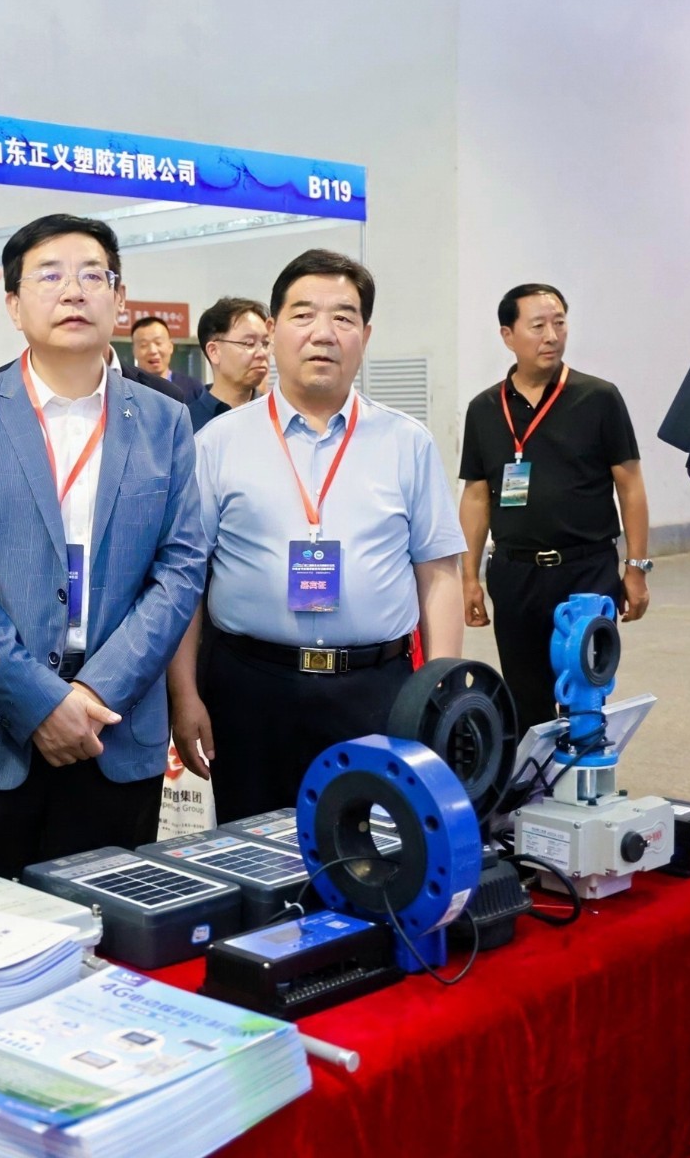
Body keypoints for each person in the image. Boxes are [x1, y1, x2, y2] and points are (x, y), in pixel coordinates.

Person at [0, 213, 207, 886]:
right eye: (49, 276)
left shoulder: (164, 421)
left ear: (119, 299)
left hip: (114, 727)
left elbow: (181, 567)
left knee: (112, 932)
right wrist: (41, 702)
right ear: (13, 306)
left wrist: (97, 691)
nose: (73, 291)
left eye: (92, 276)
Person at [168, 249, 465, 823]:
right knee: (253, 853)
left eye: (343, 317)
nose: (323, 333)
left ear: (365, 335)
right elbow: (186, 581)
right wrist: (185, 696)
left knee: (376, 850)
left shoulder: (407, 443)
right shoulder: (217, 444)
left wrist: (441, 692)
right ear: (274, 330)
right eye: (303, 315)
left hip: (375, 690)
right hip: (249, 690)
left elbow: (438, 575)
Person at [459, 283, 649, 727]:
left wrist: (636, 568)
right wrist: (468, 577)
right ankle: (537, 774)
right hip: (515, 574)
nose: (552, 336)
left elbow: (630, 485)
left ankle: (583, 770)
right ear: (508, 335)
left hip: (587, 571)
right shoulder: (484, 408)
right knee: (526, 701)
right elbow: (476, 496)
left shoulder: (598, 398)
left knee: (585, 694)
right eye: (538, 326)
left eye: (559, 323)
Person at [187, 296, 271, 433]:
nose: (262, 353)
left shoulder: (279, 414)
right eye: (249, 343)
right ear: (214, 351)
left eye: (265, 343)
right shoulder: (187, 424)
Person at [131, 314, 205, 402]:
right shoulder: (127, 388)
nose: (153, 351)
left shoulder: (194, 388)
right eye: (144, 345)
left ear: (170, 346)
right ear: (134, 351)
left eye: (158, 343)